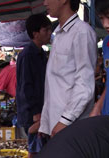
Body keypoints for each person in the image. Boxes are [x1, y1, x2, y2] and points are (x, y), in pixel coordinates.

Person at [39, 0, 96, 138]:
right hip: (56, 127)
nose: (45, 2)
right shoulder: (58, 34)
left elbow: (85, 84)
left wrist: (65, 121)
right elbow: (54, 85)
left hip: (70, 128)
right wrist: (45, 124)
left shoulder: (82, 32)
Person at [16, 13, 51, 158]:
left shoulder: (41, 53)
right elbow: (26, 86)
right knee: (35, 147)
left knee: (40, 147)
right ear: (35, 33)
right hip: (32, 112)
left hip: (40, 109)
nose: (49, 33)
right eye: (46, 30)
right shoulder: (28, 54)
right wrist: (36, 112)